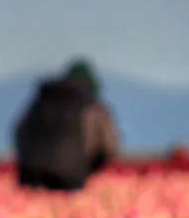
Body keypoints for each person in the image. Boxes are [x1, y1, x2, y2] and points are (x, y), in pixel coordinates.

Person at [14, 59, 119, 192]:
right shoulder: (92, 106)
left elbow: (19, 132)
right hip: (71, 178)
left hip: (33, 178)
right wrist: (89, 168)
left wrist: (29, 164)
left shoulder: (42, 101)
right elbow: (107, 145)